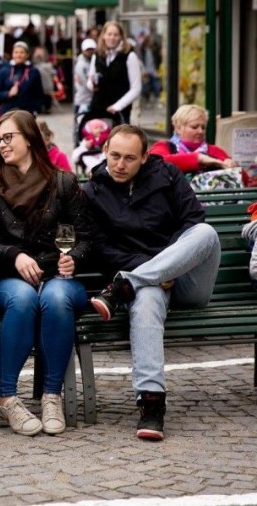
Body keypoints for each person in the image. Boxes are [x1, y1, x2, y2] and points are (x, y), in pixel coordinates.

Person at [82, 124, 221, 441]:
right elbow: (100, 249)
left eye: (129, 158)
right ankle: (152, 404)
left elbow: (193, 222)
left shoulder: (168, 175)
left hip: (186, 281)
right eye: (114, 155)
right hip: (149, 286)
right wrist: (154, 273)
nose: (120, 164)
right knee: (145, 299)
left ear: (145, 157)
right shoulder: (92, 192)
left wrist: (169, 266)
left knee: (207, 234)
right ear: (104, 152)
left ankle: (125, 285)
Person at [0, 110, 92, 437]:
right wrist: (15, 255)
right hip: (11, 279)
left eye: (9, 137)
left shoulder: (64, 182)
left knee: (57, 298)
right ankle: (8, 396)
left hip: (59, 276)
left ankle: (51, 396)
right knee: (24, 297)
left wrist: (74, 259)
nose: (2, 144)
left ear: (30, 138)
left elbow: (87, 238)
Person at [149, 104, 238, 175]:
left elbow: (244, 180)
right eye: (194, 127)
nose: (200, 131)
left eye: (203, 127)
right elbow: (155, 163)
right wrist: (199, 158)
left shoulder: (214, 151)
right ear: (178, 128)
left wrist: (232, 165)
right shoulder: (163, 146)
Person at [88, 22, 142, 125]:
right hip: (98, 109)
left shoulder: (129, 56)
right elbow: (91, 80)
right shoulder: (97, 55)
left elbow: (136, 88)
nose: (112, 38)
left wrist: (117, 106)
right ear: (103, 35)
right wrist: (91, 84)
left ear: (121, 37)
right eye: (109, 34)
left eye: (115, 35)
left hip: (120, 113)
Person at [0, 41, 43, 118]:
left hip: (27, 113)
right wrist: (8, 94)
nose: (19, 55)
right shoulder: (4, 70)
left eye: (22, 52)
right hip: (8, 113)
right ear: (12, 54)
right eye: (16, 52)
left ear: (27, 55)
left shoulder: (33, 71)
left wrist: (35, 109)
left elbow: (39, 94)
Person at [74, 38, 96, 115]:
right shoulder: (81, 65)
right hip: (83, 101)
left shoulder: (93, 62)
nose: (90, 52)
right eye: (88, 49)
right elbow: (86, 83)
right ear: (83, 50)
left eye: (92, 49)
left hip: (90, 100)